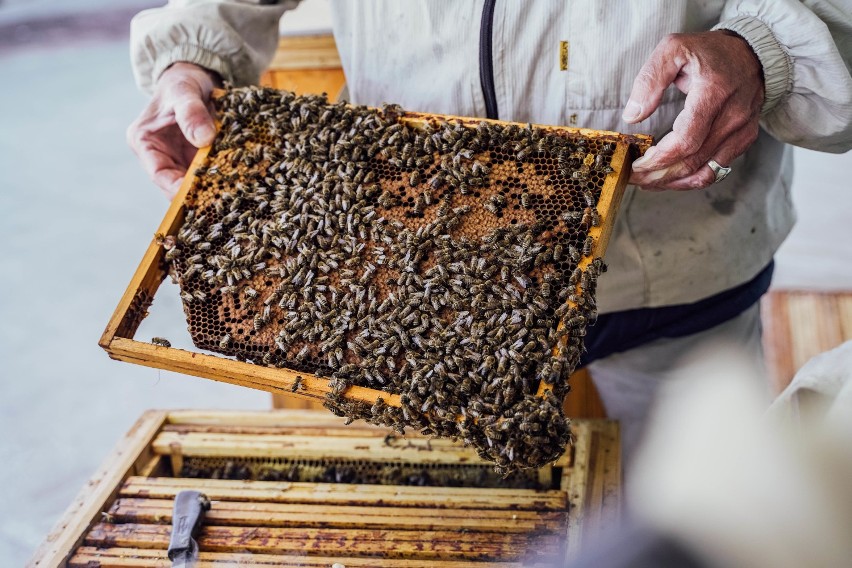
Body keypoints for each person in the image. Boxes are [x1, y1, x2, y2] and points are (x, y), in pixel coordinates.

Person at [127, 0, 852, 460]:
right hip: (413, 267)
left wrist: (765, 50)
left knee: (708, 516)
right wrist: (190, 52)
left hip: (683, 255)